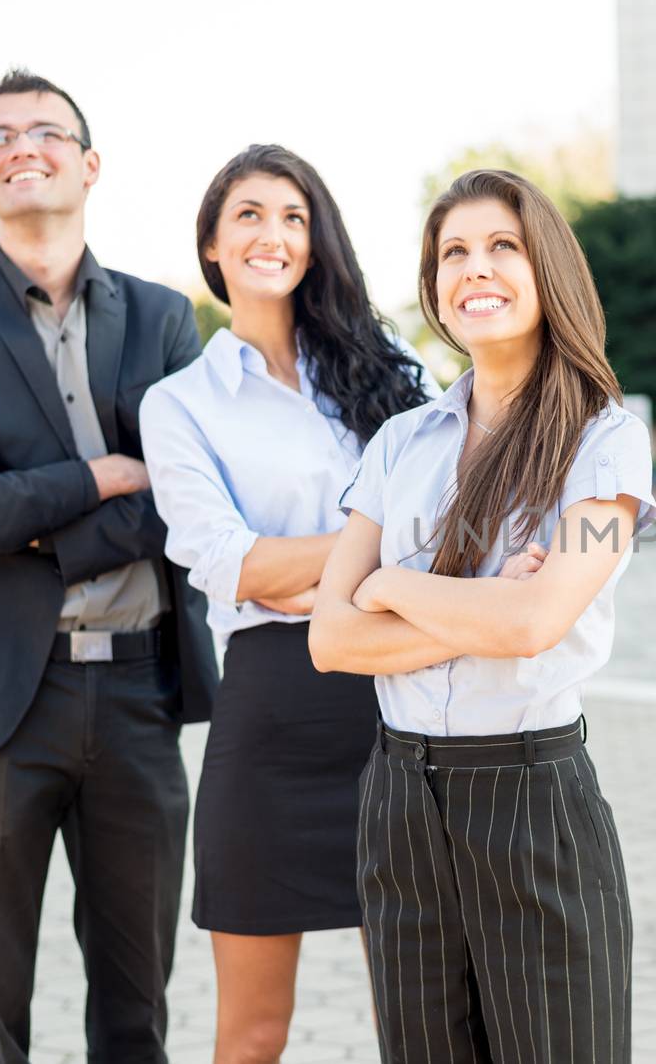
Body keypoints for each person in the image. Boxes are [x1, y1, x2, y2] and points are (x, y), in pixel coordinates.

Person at [0, 68, 218, 1062]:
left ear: (89, 163)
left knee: (135, 1012)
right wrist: (95, 476)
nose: (21, 146)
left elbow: (181, 500)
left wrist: (28, 520)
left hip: (141, 695)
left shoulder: (160, 318)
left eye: (45, 131)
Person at [308, 168, 653, 1063]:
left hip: (532, 796)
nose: (477, 268)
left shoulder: (603, 436)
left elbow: (534, 626)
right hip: (399, 802)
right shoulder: (398, 444)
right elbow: (331, 637)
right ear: (433, 288)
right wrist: (485, 603)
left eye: (502, 245)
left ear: (548, 269)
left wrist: (388, 584)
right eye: (453, 252)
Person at [138, 144, 433, 1063]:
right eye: (251, 216)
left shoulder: (393, 370)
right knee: (252, 1032)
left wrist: (316, 567)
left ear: (317, 243)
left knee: (418, 1015)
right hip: (270, 709)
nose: (274, 235)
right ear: (213, 247)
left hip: (405, 706)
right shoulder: (179, 403)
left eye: (294, 217)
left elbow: (447, 519)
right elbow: (229, 563)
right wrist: (376, 552)